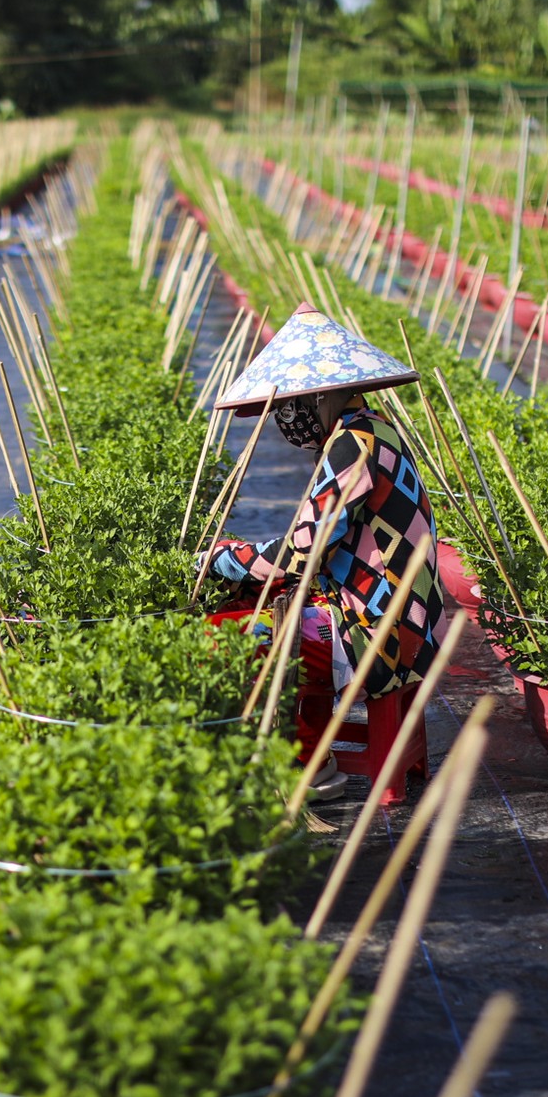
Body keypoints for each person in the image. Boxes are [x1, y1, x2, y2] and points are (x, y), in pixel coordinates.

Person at [200, 303, 444, 798]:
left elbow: (300, 554)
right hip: (405, 616)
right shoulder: (374, 428)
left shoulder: (354, 446)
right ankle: (308, 742)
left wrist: (223, 557)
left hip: (381, 630)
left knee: (230, 635)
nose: (287, 418)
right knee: (254, 607)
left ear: (324, 394)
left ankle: (307, 758)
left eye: (293, 404)